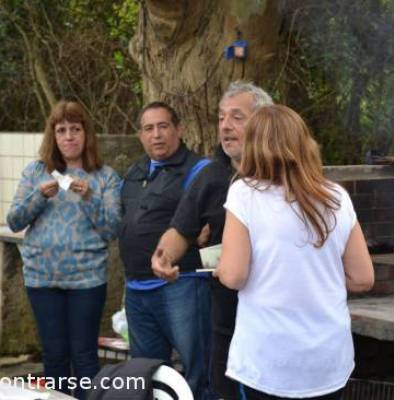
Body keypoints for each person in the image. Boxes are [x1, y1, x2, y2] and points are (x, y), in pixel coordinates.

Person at [215, 104, 375, 400]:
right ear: (304, 144)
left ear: (253, 147)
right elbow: (363, 278)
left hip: (268, 362)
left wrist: (221, 269)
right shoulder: (337, 197)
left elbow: (235, 275)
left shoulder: (244, 193)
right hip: (327, 362)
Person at [151, 81, 273, 399]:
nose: (225, 127)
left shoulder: (285, 177)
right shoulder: (210, 177)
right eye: (221, 118)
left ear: (263, 122)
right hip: (227, 321)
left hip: (274, 324)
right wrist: (163, 257)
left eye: (236, 117)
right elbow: (180, 231)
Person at [7, 100, 121, 400]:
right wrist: (38, 197)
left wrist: (90, 198)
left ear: (87, 134)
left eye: (75, 129)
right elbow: (15, 220)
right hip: (41, 281)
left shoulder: (105, 176)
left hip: (86, 281)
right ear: (53, 136)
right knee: (54, 357)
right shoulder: (35, 172)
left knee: (84, 357)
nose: (69, 136)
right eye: (62, 130)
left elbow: (112, 229)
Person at [118, 101, 211, 400]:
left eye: (163, 126)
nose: (156, 135)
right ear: (140, 135)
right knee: (146, 374)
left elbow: (213, 220)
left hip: (181, 286)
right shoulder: (134, 172)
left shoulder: (199, 170)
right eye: (148, 128)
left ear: (179, 130)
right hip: (136, 289)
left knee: (199, 372)